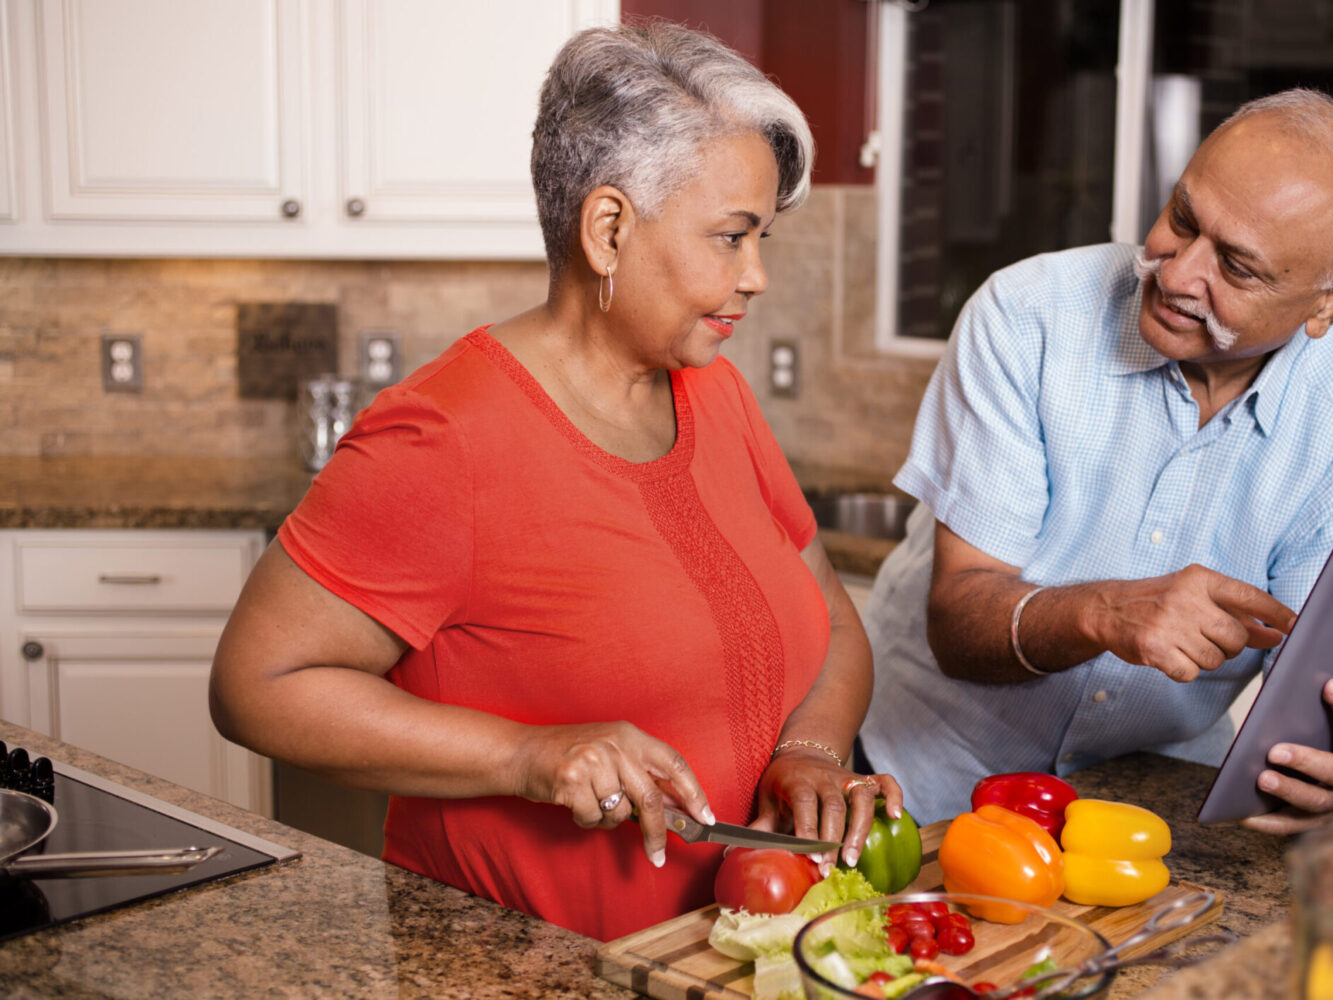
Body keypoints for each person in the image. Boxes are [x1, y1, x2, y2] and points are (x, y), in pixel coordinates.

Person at [210, 21, 901, 941]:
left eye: (762, 237)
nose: (758, 275)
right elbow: (256, 684)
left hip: (726, 953)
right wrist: (529, 756)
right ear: (608, 229)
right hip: (526, 963)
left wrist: (810, 753)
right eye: (731, 238)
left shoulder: (717, 394)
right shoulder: (441, 438)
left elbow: (830, 618)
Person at [858, 89, 1333, 835]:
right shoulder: (1026, 318)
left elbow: (1317, 702)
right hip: (924, 783)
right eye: (1182, 219)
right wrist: (1104, 610)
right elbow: (959, 625)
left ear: (1330, 302)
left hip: (1141, 817)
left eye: (1237, 269)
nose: (1178, 275)